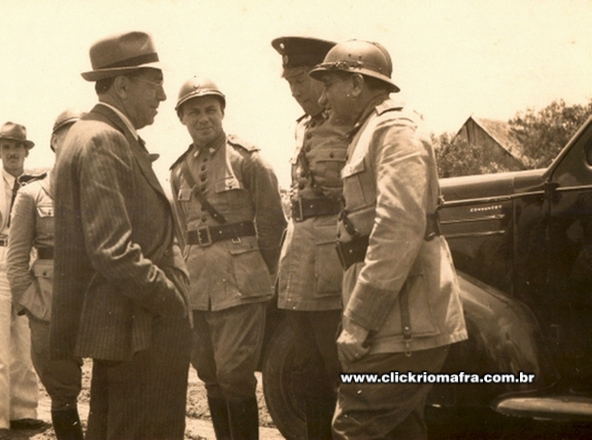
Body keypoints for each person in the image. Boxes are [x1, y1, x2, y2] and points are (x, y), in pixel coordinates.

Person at [308, 40, 468, 439]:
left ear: (356, 85)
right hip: (397, 322)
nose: (322, 98)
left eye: (329, 85)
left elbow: (398, 228)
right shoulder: (370, 132)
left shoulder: (394, 130)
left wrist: (360, 321)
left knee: (355, 426)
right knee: (400, 431)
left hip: (404, 325)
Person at [50, 31, 191, 440]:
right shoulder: (104, 139)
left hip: (125, 328)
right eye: (154, 82)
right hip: (141, 328)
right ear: (123, 85)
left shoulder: (91, 134)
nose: (162, 95)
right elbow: (113, 250)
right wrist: (173, 301)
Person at [170, 76, 287, 440]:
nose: (203, 118)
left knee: (235, 374)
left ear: (222, 112)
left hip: (241, 282)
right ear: (182, 119)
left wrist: (261, 273)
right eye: (194, 112)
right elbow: (181, 231)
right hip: (197, 284)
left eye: (210, 110)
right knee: (208, 372)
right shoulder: (178, 171)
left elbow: (273, 224)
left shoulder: (248, 160)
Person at [271, 36, 350, 440]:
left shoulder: (352, 124)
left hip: (332, 261)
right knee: (306, 369)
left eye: (300, 79)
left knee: (339, 367)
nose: (295, 91)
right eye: (289, 82)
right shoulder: (304, 126)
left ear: (323, 77)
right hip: (300, 259)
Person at [7, 109, 85, 440]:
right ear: (54, 141)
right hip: (49, 302)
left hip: (96, 299)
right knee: (62, 388)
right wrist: (33, 305)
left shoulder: (100, 189)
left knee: (112, 385)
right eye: (70, 135)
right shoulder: (32, 194)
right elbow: (15, 261)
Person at [0, 122, 43, 438]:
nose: (12, 152)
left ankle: (24, 412)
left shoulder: (38, 187)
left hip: (27, 264)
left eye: (18, 147)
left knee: (25, 341)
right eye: (7, 147)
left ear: (26, 152)